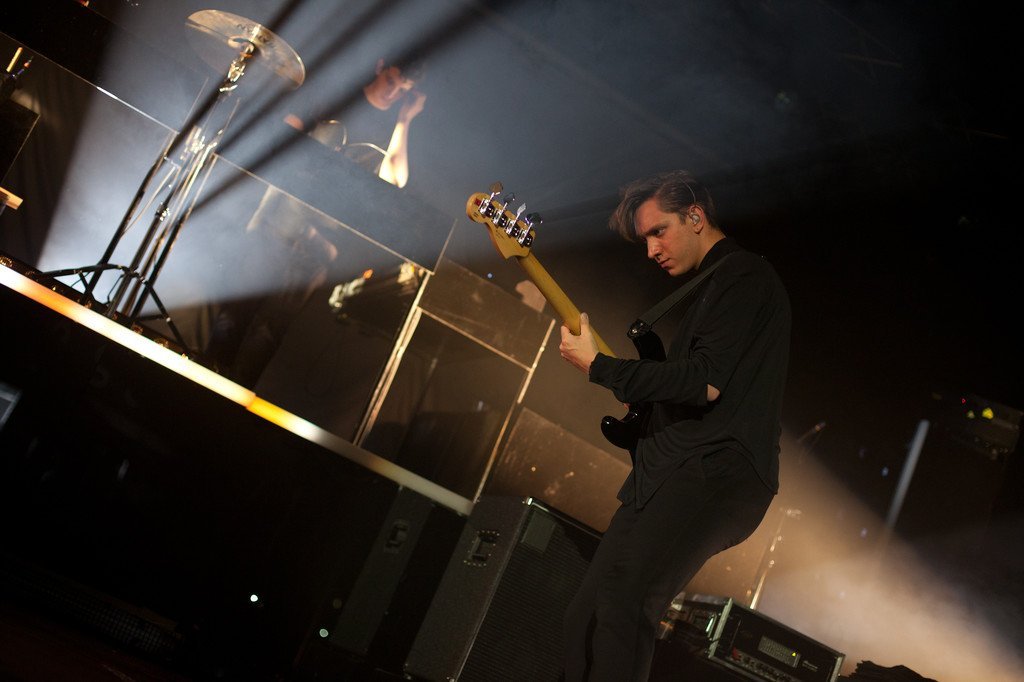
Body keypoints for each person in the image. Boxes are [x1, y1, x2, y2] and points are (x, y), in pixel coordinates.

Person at [558, 170, 791, 681]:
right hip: (668, 470)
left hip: (714, 470)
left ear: (695, 216)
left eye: (658, 231)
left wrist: (601, 367)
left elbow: (705, 383)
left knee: (626, 600)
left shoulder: (744, 276)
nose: (651, 250)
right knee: (587, 615)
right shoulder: (714, 285)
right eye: (645, 240)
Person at [287, 55, 427, 189]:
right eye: (390, 81)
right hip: (294, 181)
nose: (391, 94)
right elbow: (291, 124)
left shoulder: (396, 131)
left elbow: (394, 181)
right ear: (380, 67)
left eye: (401, 90)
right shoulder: (339, 92)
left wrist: (404, 120)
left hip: (334, 200)